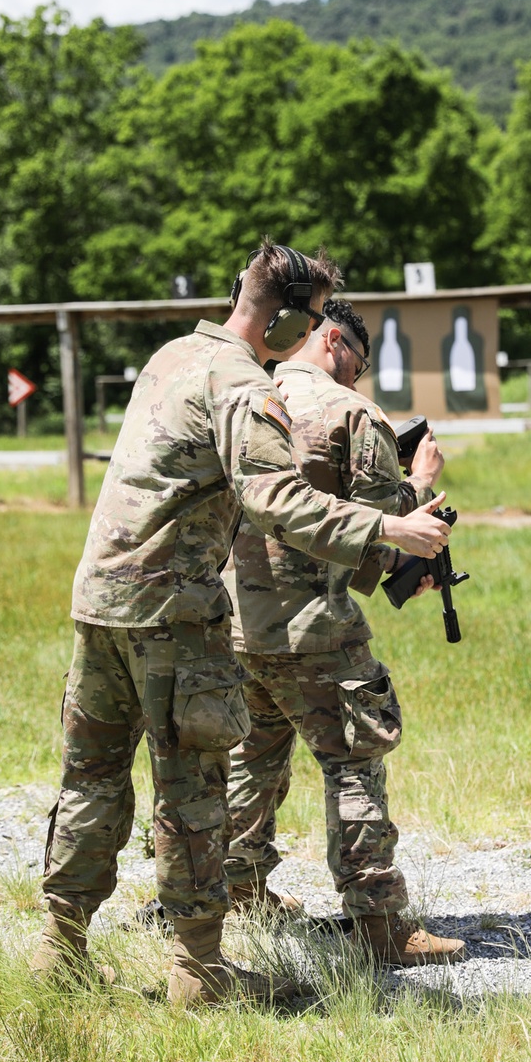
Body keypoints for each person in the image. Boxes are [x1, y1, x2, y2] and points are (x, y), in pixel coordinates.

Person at [31, 243, 452, 1006]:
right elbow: (276, 501)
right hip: (173, 611)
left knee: (91, 778)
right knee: (191, 789)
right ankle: (200, 975)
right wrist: (391, 530)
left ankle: (59, 949)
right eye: (317, 316)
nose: (318, 330)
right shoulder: (240, 383)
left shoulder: (170, 356)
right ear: (291, 317)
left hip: (99, 599)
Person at [224, 298, 466, 966]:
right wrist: (419, 481)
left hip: (238, 622)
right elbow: (380, 527)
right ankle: (380, 924)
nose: (357, 378)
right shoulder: (351, 413)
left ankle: (239, 890)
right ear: (333, 339)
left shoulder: (251, 397)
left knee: (253, 759)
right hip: (314, 630)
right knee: (355, 762)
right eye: (356, 361)